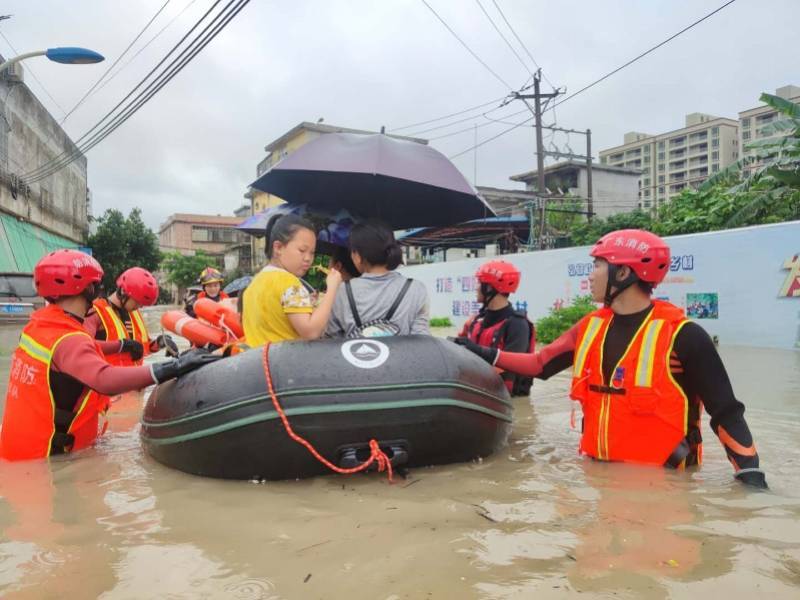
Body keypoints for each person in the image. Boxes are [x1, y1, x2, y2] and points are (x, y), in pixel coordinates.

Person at [455, 229, 767, 488]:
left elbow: (726, 413)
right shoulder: (590, 327)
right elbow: (540, 365)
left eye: (597, 266)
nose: (590, 275)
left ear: (623, 272)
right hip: (598, 479)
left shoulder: (684, 336)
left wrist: (750, 478)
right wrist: (478, 351)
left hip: (667, 488)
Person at [0, 250, 220, 461]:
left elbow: (83, 352)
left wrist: (140, 345)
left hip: (23, 448)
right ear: (88, 289)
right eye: (95, 284)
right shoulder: (72, 335)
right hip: (48, 456)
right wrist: (172, 367)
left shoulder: (39, 326)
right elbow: (104, 378)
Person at [242, 214, 342, 344]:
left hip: (258, 361)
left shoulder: (254, 283)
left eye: (312, 253)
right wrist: (332, 290)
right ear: (278, 248)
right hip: (284, 362)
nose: (308, 258)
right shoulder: (289, 283)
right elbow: (311, 332)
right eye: (302, 250)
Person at [326, 219, 429, 338]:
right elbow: (422, 338)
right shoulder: (416, 289)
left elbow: (332, 339)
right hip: (403, 357)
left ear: (358, 256)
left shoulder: (342, 291)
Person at [458, 260, 535, 396]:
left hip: (505, 398)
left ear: (490, 288)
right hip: (479, 390)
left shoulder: (518, 325)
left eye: (480, 283)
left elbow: (512, 365)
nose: (476, 288)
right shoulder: (476, 320)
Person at [85, 267, 178, 364]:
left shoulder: (134, 312)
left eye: (142, 304)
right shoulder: (95, 311)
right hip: (107, 377)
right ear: (123, 292)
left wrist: (159, 343)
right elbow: (84, 346)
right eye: (137, 302)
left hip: (132, 377)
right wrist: (121, 346)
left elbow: (143, 348)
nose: (140, 306)